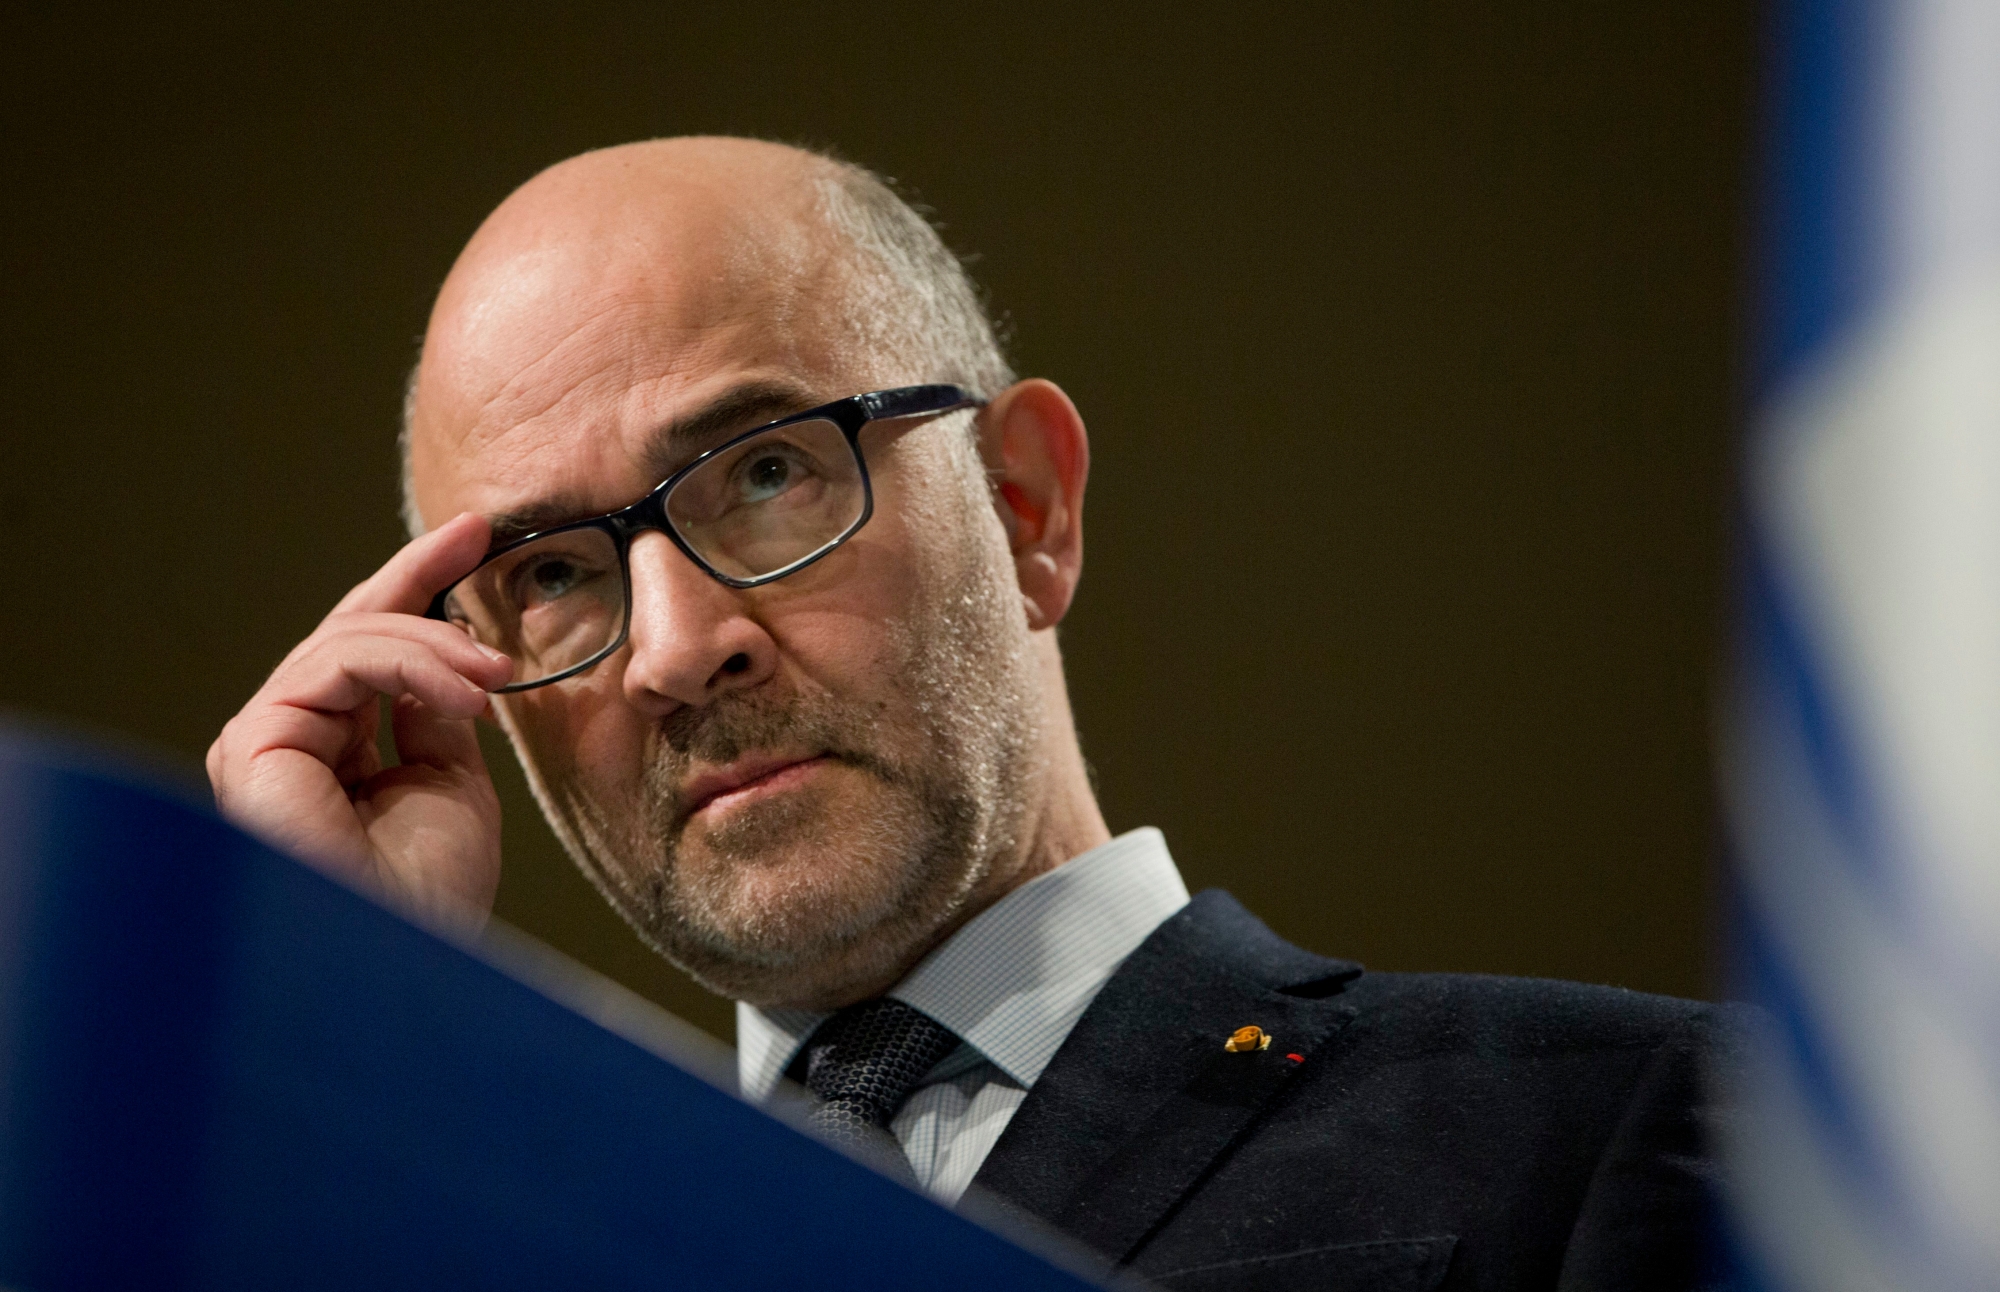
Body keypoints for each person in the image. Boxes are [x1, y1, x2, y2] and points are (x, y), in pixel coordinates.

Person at [207, 136, 1733, 1290]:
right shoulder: (470, 1243)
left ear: (1026, 507)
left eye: (766, 472)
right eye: (549, 572)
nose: (675, 649)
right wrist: (323, 1009)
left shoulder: (1627, 1128)